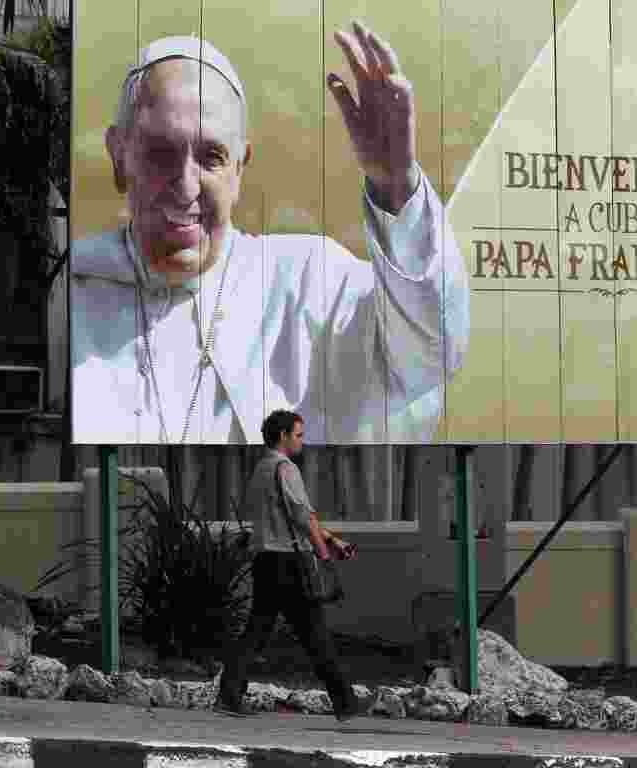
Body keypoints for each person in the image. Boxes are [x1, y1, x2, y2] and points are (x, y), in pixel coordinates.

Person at [71, 24, 469, 445]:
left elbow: (432, 350)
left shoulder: (310, 284)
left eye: (211, 157)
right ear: (119, 157)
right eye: (160, 153)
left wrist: (396, 185)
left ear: (240, 167)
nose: (186, 186)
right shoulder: (74, 291)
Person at [217, 409, 359, 719]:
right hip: (290, 563)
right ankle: (347, 704)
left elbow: (289, 515)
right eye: (298, 435)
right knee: (315, 634)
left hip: (265, 560)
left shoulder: (261, 470)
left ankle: (229, 695)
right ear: (283, 436)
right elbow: (303, 516)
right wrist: (324, 553)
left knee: (256, 632)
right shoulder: (286, 469)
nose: (301, 442)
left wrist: (332, 540)